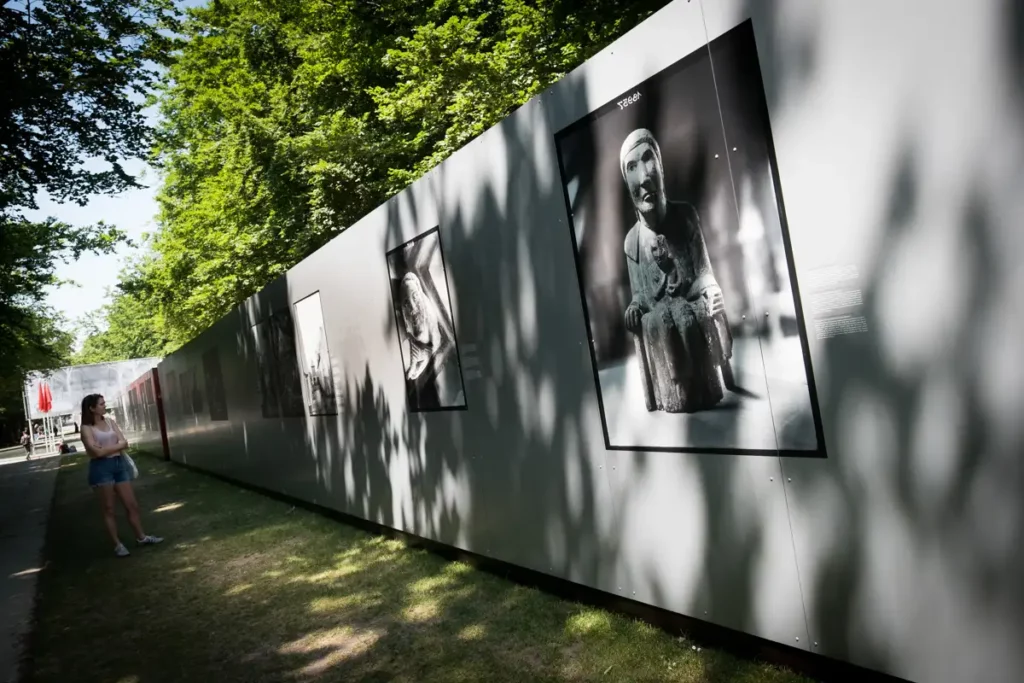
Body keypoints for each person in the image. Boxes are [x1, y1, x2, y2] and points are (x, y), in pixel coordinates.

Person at [619, 128, 734, 413]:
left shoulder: (686, 217)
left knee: (686, 316)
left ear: (660, 167)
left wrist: (711, 288)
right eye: (632, 167)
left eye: (648, 159)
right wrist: (634, 307)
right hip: (658, 314)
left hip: (690, 305)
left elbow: (703, 270)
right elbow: (639, 294)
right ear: (627, 182)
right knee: (661, 322)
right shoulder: (632, 241)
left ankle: (702, 386)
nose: (644, 176)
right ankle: (677, 391)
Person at [79, 394, 162, 557]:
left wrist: (105, 449)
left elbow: (124, 442)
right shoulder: (86, 428)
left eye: (104, 403)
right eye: (101, 404)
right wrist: (114, 447)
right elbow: (96, 452)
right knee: (108, 509)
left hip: (119, 465)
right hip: (101, 469)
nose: (105, 406)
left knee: (132, 505)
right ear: (92, 408)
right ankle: (117, 545)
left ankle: (141, 537)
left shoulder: (110, 421)